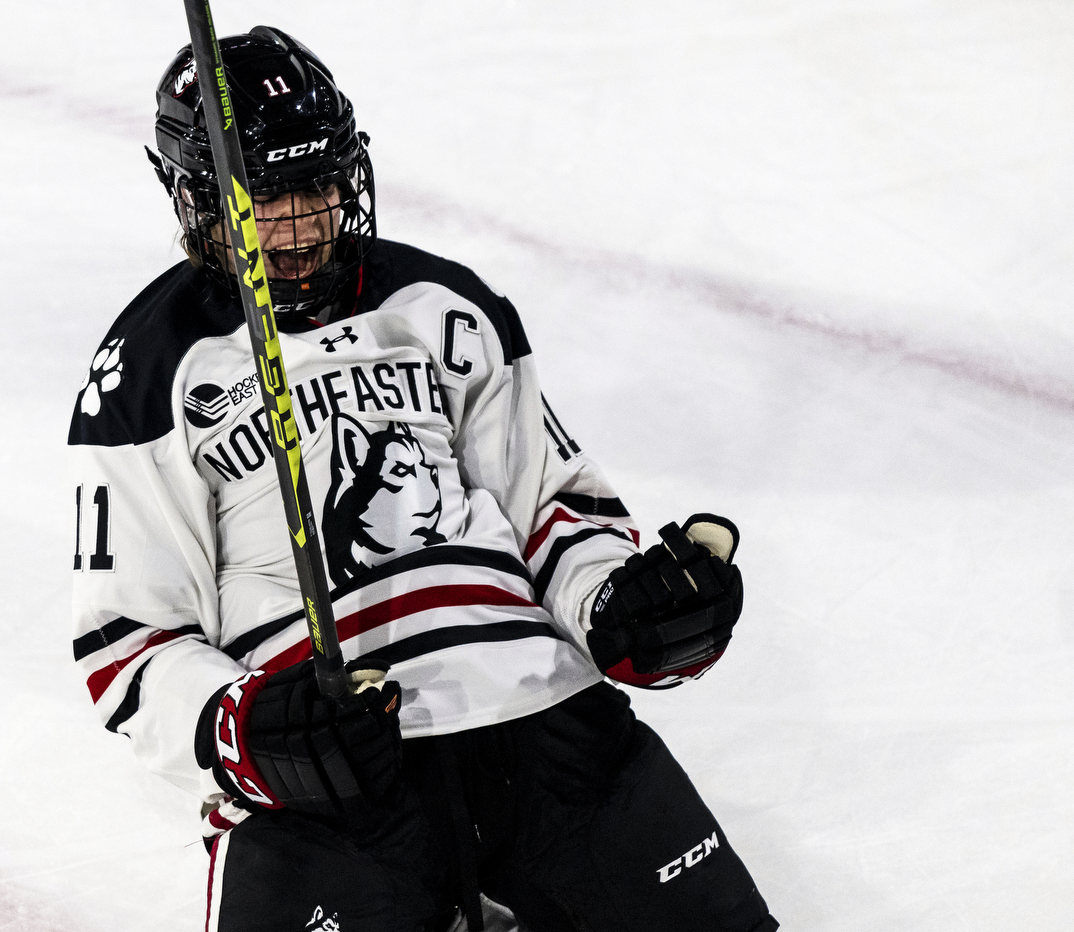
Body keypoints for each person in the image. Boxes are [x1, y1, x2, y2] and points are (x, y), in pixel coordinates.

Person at [69, 25, 778, 932]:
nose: (299, 224)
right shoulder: (145, 375)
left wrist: (621, 608)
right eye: (266, 195)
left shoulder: (444, 306)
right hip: (336, 768)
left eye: (317, 184)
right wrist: (244, 727)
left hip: (545, 724)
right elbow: (128, 645)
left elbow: (552, 512)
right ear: (197, 197)